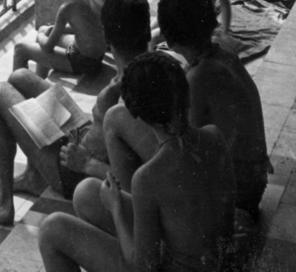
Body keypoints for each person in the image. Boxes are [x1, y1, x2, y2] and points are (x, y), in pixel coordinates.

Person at [0, 0, 153, 226]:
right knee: (21, 77)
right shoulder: (141, 67)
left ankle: (2, 200)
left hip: (73, 170)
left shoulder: (134, 91)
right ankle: (33, 177)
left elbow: (139, 176)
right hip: (83, 137)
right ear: (146, 32)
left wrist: (87, 165)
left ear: (107, 39)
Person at [37, 52, 237, 272]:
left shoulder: (148, 177)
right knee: (86, 192)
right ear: (186, 96)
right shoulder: (214, 136)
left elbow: (142, 267)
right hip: (214, 262)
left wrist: (116, 210)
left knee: (51, 229)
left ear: (138, 115)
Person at [151, 0, 268, 218]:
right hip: (254, 180)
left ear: (170, 40)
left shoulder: (197, 78)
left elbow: (186, 145)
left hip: (237, 195)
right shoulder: (224, 53)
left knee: (127, 123)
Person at [12, 0, 107, 78]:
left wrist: (40, 35)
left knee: (20, 49)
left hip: (85, 62)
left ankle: (23, 84)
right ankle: (40, 79)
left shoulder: (67, 7)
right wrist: (50, 30)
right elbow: (87, 28)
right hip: (97, 56)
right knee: (45, 29)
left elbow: (47, 47)